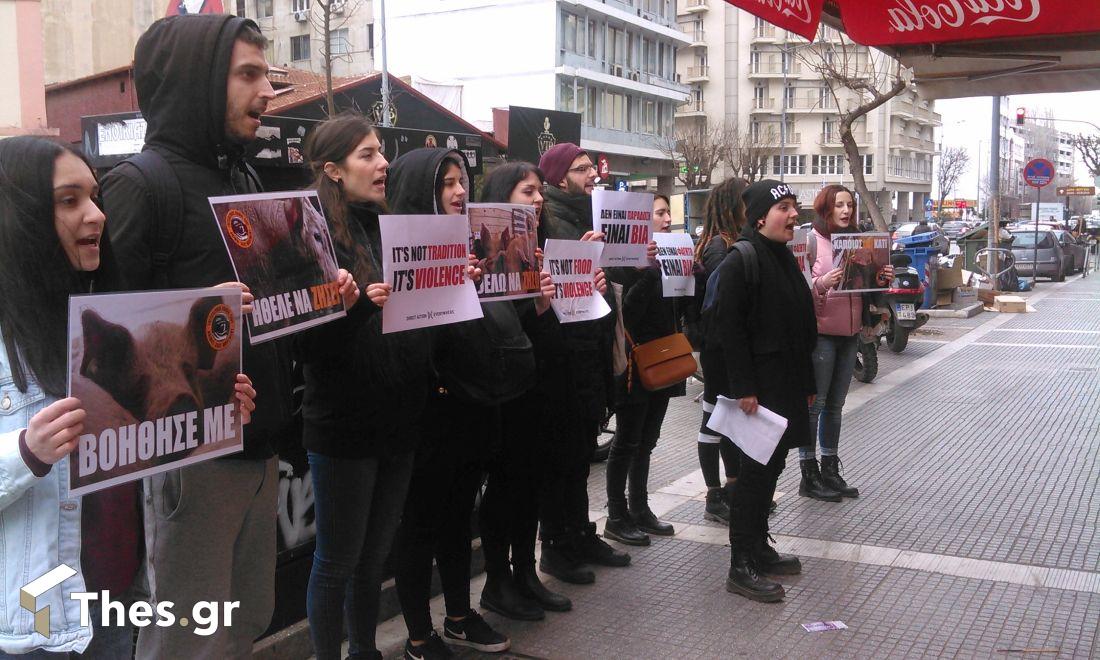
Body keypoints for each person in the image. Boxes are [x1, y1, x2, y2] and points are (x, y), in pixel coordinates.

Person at [0, 136, 255, 657]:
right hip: (33, 616)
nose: (96, 216)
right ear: (18, 214)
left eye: (95, 197)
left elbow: (143, 440)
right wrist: (28, 451)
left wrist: (217, 414)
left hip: (113, 599)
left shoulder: (105, 312)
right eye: (69, 201)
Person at [99, 15, 293, 658]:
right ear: (197, 81)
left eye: (267, 74)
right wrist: (205, 309)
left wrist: (322, 292)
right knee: (185, 639)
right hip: (188, 465)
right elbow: (106, 330)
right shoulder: (139, 186)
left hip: (257, 446)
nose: (267, 92)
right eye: (247, 74)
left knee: (244, 622)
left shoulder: (243, 179)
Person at [387, 148, 536, 659]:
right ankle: (418, 633)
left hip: (474, 407)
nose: (458, 192)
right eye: (445, 183)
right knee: (421, 523)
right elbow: (412, 341)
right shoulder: (401, 253)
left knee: (458, 518)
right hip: (427, 413)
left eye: (462, 181)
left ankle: (458, 615)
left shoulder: (475, 247)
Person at [296, 114, 427, 660]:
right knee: (337, 561)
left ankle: (365, 651)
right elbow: (305, 348)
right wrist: (351, 310)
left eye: (381, 152)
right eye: (368, 154)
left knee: (374, 561)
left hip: (398, 419)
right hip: (344, 426)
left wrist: (450, 284)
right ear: (332, 169)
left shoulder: (386, 226)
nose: (383, 164)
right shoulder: (309, 237)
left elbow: (415, 317)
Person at [477, 162, 574, 620]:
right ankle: (498, 581)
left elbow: (551, 339)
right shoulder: (486, 256)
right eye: (526, 191)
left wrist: (545, 303)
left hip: (540, 389)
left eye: (539, 192)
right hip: (502, 395)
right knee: (505, 488)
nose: (537, 200)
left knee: (532, 484)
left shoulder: (539, 252)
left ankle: (525, 573)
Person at [716, 180, 817, 603]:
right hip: (759, 390)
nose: (794, 215)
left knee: (771, 472)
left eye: (795, 207)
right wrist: (744, 388)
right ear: (760, 216)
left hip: (787, 384)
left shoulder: (782, 256)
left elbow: (799, 325)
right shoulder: (743, 260)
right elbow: (728, 329)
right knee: (753, 477)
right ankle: (740, 565)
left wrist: (808, 386)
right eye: (786, 207)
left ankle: (758, 546)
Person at [535, 143, 630, 582]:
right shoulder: (551, 219)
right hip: (563, 358)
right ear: (558, 179)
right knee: (560, 458)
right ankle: (558, 543)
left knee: (579, 456)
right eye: (582, 168)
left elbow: (604, 285)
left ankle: (581, 533)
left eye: (592, 166)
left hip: (590, 352)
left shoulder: (588, 215)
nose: (593, 173)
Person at [798, 185, 892, 501]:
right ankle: (808, 475)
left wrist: (881, 277)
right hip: (821, 335)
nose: (845, 211)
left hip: (849, 335)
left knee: (835, 407)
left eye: (849, 205)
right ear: (825, 208)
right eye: (839, 205)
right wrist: (821, 283)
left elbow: (867, 290)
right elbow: (798, 289)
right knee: (816, 406)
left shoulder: (858, 242)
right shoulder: (811, 241)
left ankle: (829, 469)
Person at [602, 195, 686, 546]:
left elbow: (678, 309)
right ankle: (616, 514)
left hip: (663, 359)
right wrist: (649, 273)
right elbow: (627, 315)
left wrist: (687, 273)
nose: (667, 220)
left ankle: (640, 506)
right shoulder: (620, 265)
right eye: (660, 214)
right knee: (627, 439)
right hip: (635, 365)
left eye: (668, 213)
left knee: (647, 441)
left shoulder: (666, 255)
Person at [692, 178, 749, 524]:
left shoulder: (731, 242)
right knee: (714, 418)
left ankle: (732, 488)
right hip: (718, 347)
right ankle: (715, 495)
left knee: (726, 419)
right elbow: (722, 301)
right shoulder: (718, 246)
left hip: (726, 345)